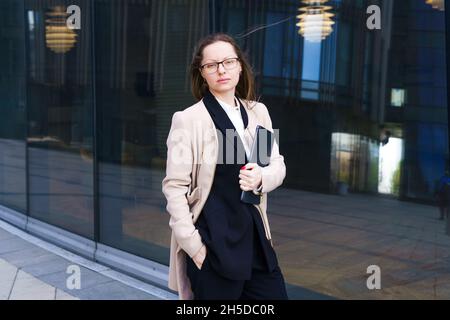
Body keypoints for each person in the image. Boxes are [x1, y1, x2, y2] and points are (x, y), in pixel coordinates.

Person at [161, 33, 288, 300]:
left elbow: (277, 164)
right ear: (202, 73)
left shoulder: (257, 113)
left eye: (228, 61)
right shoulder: (189, 120)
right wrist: (195, 248)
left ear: (240, 66)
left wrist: (262, 177)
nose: (221, 70)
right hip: (214, 244)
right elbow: (175, 188)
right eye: (211, 65)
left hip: (255, 240)